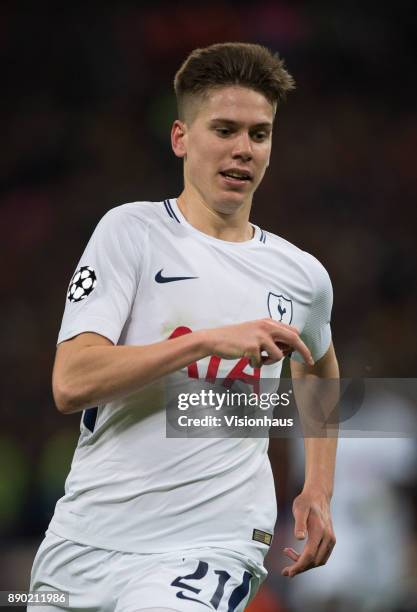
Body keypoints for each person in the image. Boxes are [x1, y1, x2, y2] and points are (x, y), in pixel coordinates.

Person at [29, 42, 338, 611]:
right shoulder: (131, 233)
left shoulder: (303, 276)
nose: (243, 149)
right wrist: (207, 340)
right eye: (224, 129)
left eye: (259, 134)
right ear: (181, 138)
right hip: (84, 537)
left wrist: (317, 486)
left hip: (210, 545)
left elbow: (318, 362)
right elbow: (71, 382)